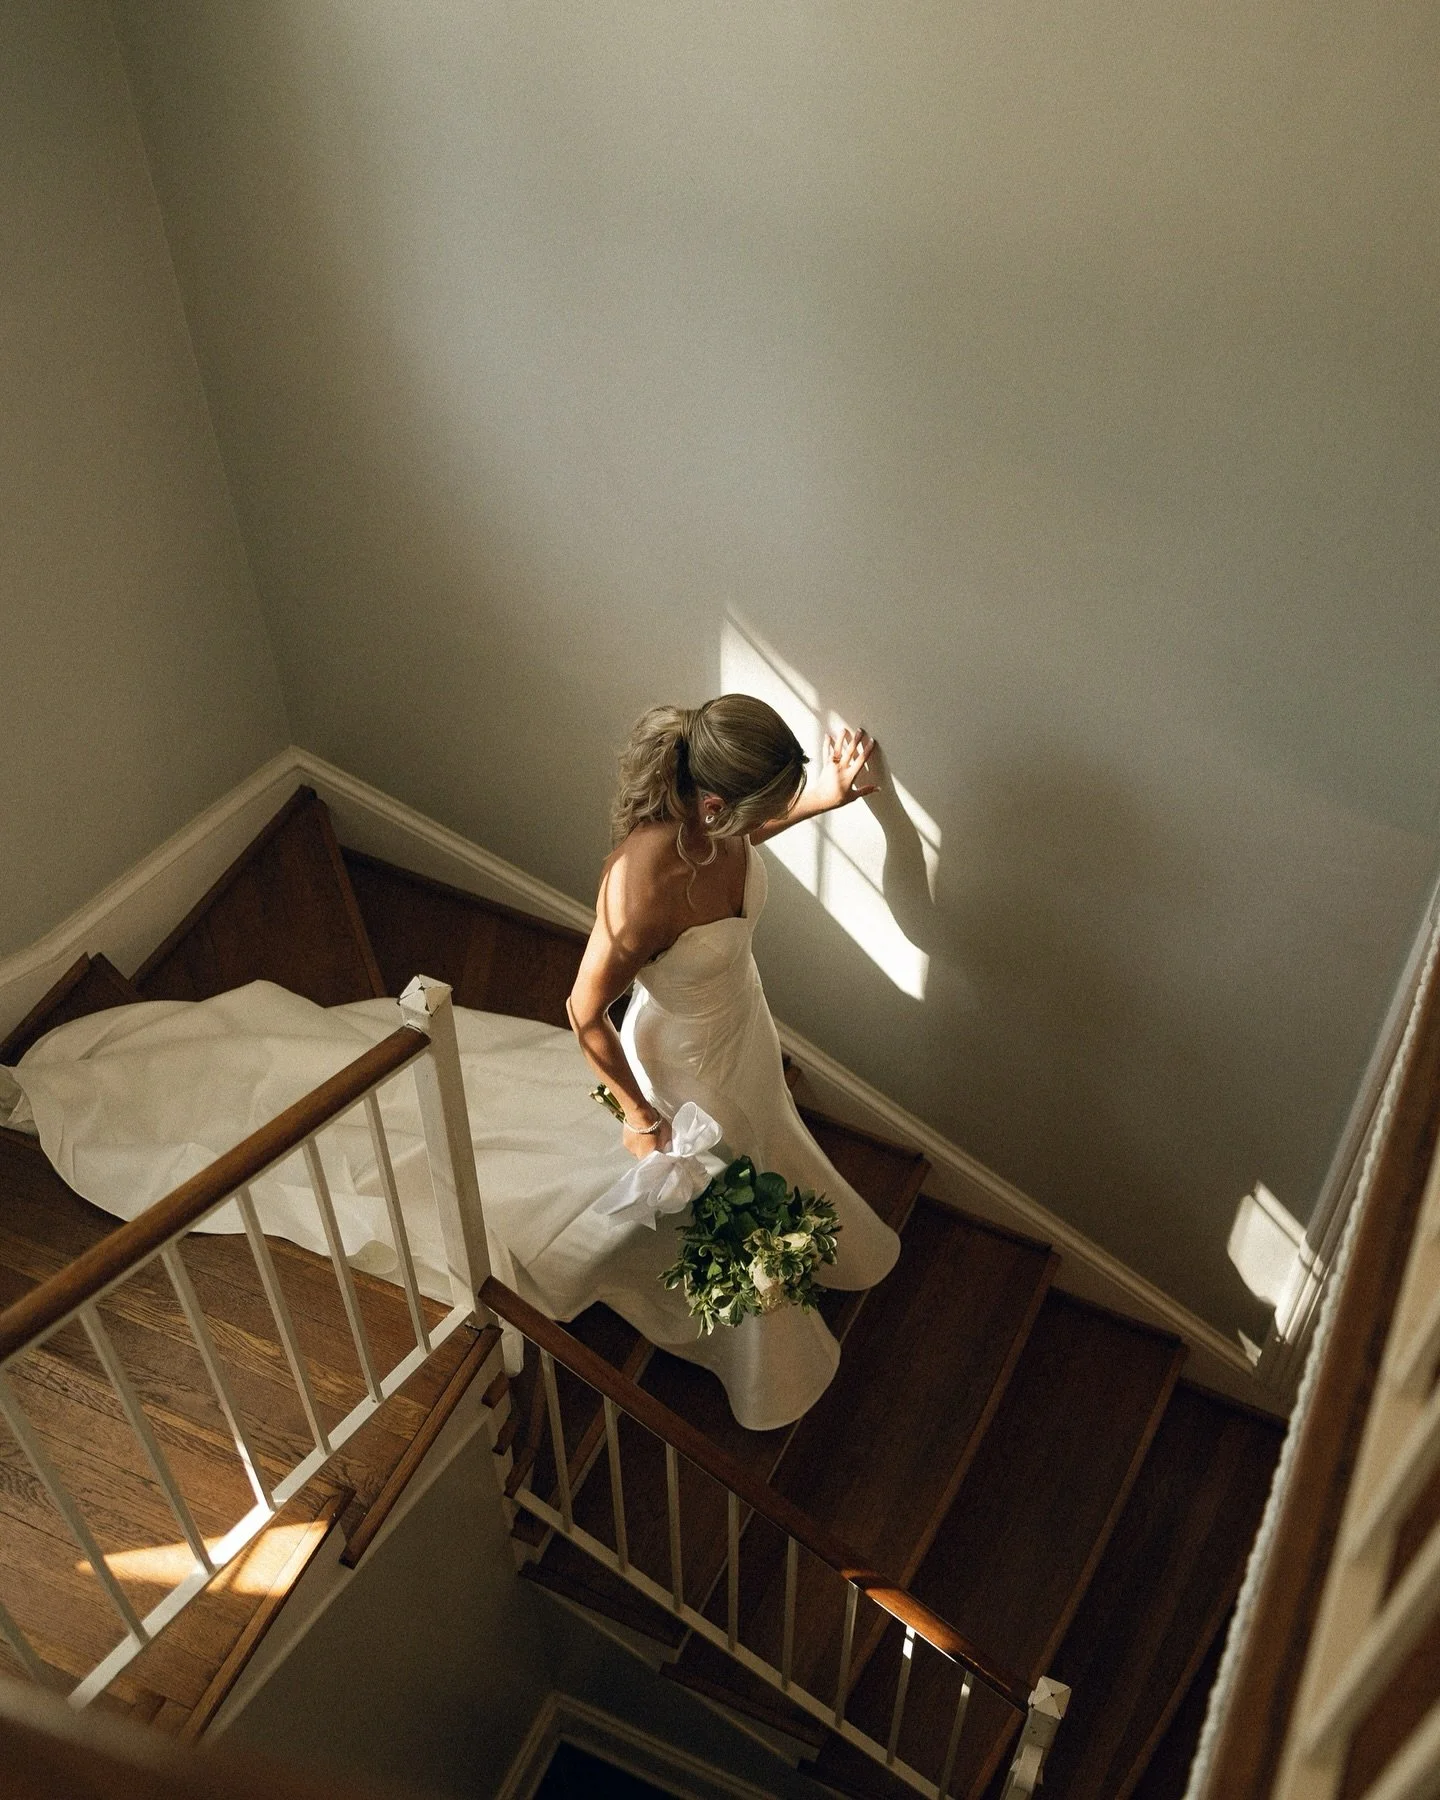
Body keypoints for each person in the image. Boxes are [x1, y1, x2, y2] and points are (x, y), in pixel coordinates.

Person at [566, 695, 903, 1299]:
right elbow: (583, 1013)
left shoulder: (711, 818)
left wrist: (826, 795)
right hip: (692, 1059)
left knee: (771, 1120)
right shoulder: (640, 892)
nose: (759, 826)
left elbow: (743, 838)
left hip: (743, 1015)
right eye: (757, 813)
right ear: (716, 806)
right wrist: (642, 1119)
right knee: (752, 1143)